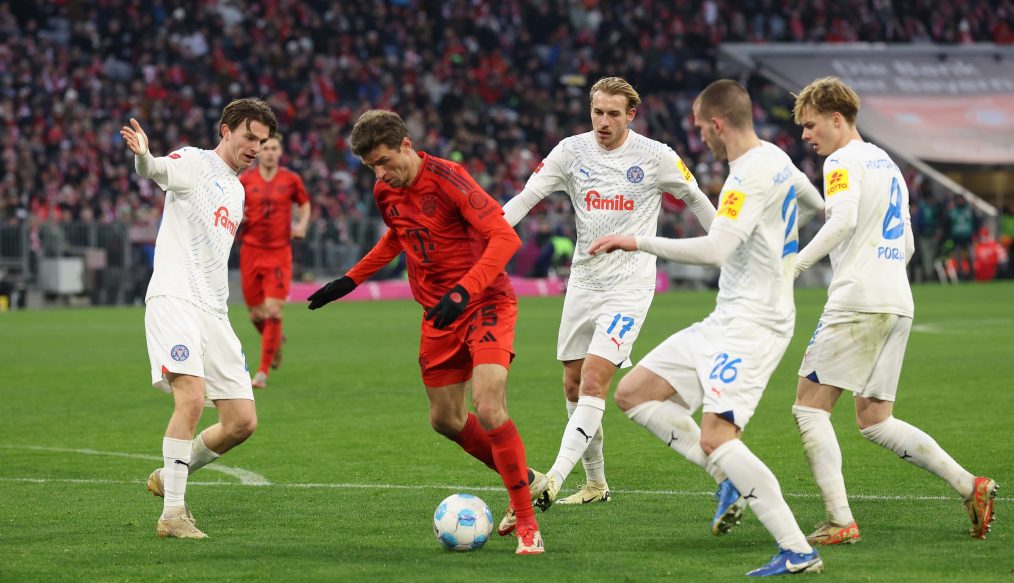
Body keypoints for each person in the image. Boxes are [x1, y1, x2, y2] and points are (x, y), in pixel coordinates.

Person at [589, 79, 825, 576]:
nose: (699, 138)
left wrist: (638, 241)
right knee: (634, 392)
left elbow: (715, 250)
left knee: (719, 437)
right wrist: (781, 251)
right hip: (728, 315)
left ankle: (798, 549)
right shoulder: (777, 158)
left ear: (718, 124)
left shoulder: (745, 176)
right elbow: (813, 204)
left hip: (754, 322)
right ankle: (729, 478)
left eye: (700, 128)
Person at [306, 110, 544, 555]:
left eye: (384, 162)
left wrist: (463, 290)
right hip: (439, 314)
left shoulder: (449, 179)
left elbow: (505, 238)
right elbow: (397, 237)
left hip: (486, 301)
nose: (380, 174)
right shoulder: (385, 190)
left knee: (489, 406)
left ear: (406, 145)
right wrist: (352, 279)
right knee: (445, 421)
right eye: (371, 167)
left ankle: (528, 523)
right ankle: (527, 478)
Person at [791, 76, 997, 544]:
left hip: (858, 300)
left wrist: (795, 266)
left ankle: (840, 520)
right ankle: (970, 485)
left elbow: (841, 220)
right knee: (875, 419)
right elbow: (903, 243)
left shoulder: (842, 161)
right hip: (897, 299)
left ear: (836, 118)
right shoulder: (888, 164)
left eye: (811, 124)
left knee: (809, 408)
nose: (806, 135)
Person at [501, 77, 717, 523]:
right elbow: (526, 199)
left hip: (630, 287)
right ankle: (595, 483)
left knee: (596, 382)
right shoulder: (570, 151)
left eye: (613, 114)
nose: (603, 121)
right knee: (573, 385)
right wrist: (486, 236)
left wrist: (726, 243)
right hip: (583, 283)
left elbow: (695, 198)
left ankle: (554, 478)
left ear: (631, 115)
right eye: (597, 111)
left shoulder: (657, 156)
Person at [120, 98, 277, 538]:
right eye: (249, 137)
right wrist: (144, 157)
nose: (255, 148)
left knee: (242, 421)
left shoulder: (239, 190)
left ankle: (171, 471)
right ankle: (172, 514)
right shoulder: (193, 161)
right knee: (190, 398)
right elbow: (156, 172)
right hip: (175, 298)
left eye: (262, 142)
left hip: (214, 310)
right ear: (225, 130)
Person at [238, 133, 311, 389]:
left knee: (273, 310)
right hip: (250, 251)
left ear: (280, 152)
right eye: (265, 148)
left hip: (279, 252)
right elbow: (232, 205)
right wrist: (240, 217)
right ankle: (276, 340)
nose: (269, 152)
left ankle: (262, 372)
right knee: (255, 313)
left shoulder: (291, 180)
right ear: (259, 151)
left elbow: (304, 204)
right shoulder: (245, 179)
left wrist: (301, 225)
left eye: (274, 148)